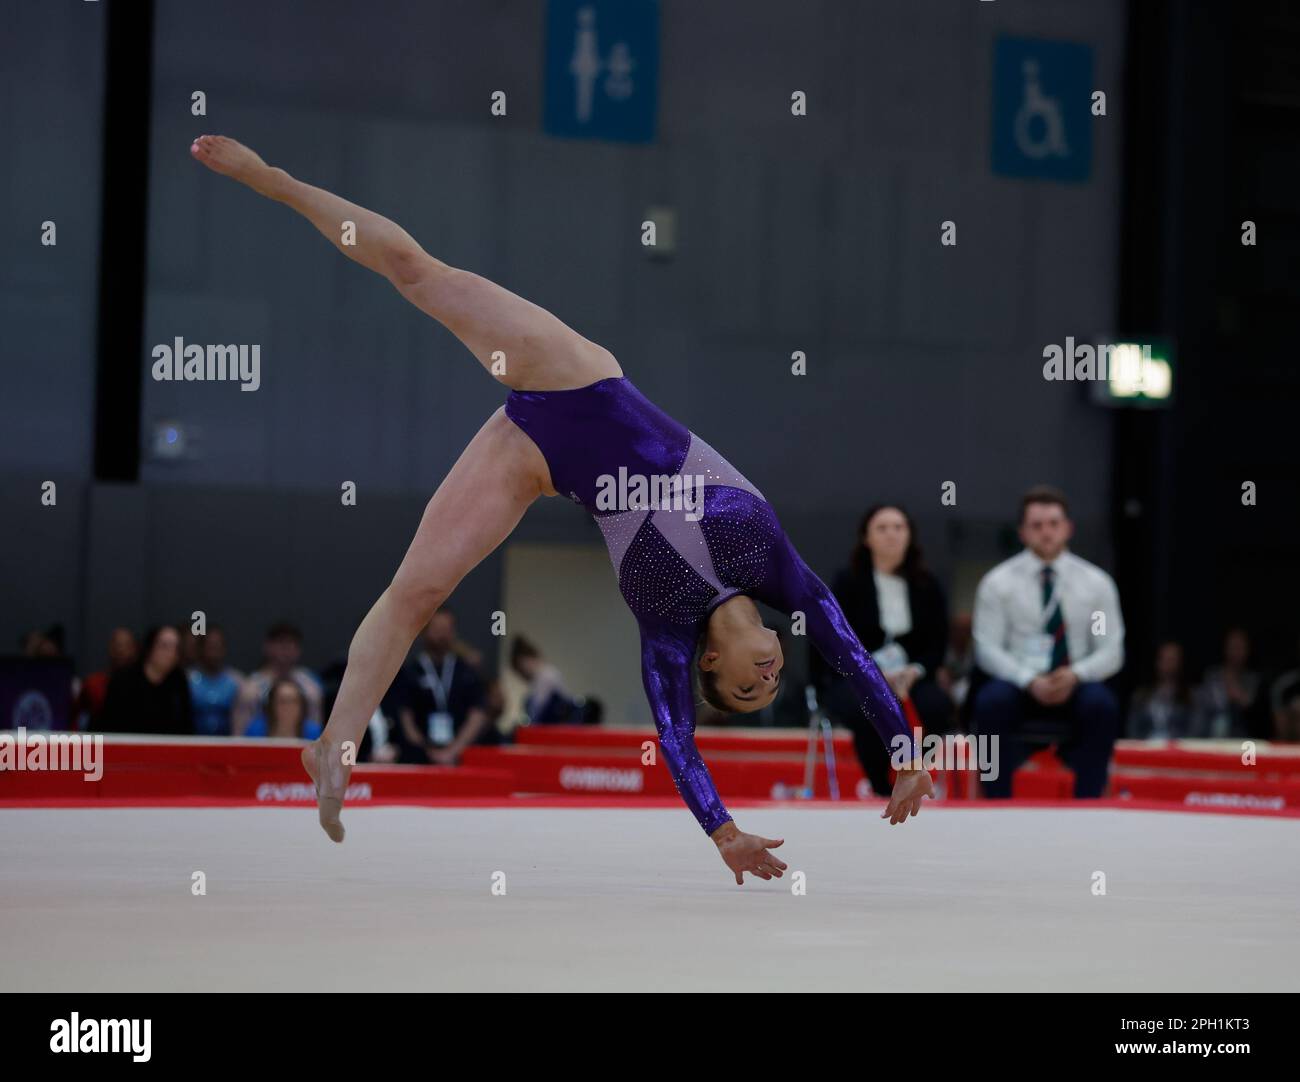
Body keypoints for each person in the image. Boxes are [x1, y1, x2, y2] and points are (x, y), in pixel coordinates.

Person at [191, 133, 931, 883]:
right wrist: (904, 754)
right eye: (768, 684)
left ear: (711, 662)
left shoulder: (668, 635)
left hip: (536, 460)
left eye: (746, 687)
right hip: (579, 384)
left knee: (416, 591)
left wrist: (724, 833)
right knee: (418, 273)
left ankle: (335, 743)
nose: (767, 679)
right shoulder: (775, 569)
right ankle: (274, 179)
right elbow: (851, 653)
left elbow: (678, 741)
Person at [971, 486, 1124, 798]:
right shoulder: (998, 583)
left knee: (1102, 704)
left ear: (1068, 528)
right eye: (1037, 525)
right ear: (1023, 532)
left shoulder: (1096, 584)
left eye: (1054, 524)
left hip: (1075, 681)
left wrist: (1076, 674)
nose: (1046, 532)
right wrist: (1029, 680)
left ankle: (1089, 805)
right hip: (1019, 683)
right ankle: (993, 804)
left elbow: (1111, 650)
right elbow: (986, 648)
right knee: (989, 702)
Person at [819, 504, 953, 795]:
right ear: (866, 537)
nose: (891, 535)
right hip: (855, 675)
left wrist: (914, 671)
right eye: (882, 528)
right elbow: (836, 640)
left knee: (936, 706)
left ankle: (919, 778)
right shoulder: (847, 583)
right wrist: (874, 673)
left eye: (898, 527)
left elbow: (937, 644)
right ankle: (879, 786)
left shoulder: (928, 585)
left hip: (912, 676)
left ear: (910, 535)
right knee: (869, 704)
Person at [390, 609, 493, 764]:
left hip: (461, 756)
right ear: (425, 631)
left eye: (447, 630)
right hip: (420, 758)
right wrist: (427, 751)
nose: (442, 635)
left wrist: (454, 750)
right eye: (437, 629)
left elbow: (477, 715)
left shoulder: (466, 671)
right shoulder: (411, 672)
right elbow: (406, 718)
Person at [98, 625, 194, 735]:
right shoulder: (124, 680)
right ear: (150, 647)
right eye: (164, 646)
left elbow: (186, 727)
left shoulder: (179, 682)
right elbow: (109, 724)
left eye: (176, 648)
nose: (171, 653)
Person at [234, 621, 324, 735]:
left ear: (298, 649)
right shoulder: (250, 688)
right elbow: (239, 735)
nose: (286, 648)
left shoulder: (311, 688)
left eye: (291, 643)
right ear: (267, 647)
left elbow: (315, 730)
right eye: (280, 642)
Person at [1192, 627, 1259, 740]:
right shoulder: (1213, 675)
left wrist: (1234, 688)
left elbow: (1251, 708)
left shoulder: (1252, 679)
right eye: (1233, 647)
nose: (1236, 652)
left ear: (1247, 650)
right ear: (1226, 648)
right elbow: (1204, 706)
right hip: (1211, 735)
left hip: (1242, 737)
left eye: (1240, 648)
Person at [1128, 641, 1193, 740]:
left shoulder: (1190, 697)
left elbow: (1193, 732)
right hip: (1145, 750)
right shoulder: (1141, 696)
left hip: (1177, 751)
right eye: (1164, 659)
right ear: (1157, 662)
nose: (1168, 665)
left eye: (1172, 660)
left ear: (1180, 663)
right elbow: (1132, 731)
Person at [188, 626, 245, 737]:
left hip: (227, 744)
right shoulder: (188, 680)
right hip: (193, 742)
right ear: (200, 649)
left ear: (224, 649)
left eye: (217, 647)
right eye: (210, 647)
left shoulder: (236, 681)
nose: (213, 652)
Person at [510, 636, 579, 726]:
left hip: (552, 727)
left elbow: (537, 711)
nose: (522, 676)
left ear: (524, 661)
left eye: (521, 671)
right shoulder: (539, 679)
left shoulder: (547, 676)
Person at [77, 627, 139, 727]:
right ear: (110, 648)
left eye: (127, 645)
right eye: (117, 645)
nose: (121, 650)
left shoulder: (143, 687)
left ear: (135, 650)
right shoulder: (93, 684)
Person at [244, 678, 323, 740]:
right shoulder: (255, 730)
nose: (289, 707)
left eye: (294, 701)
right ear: (272, 705)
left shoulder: (314, 733)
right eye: (283, 701)